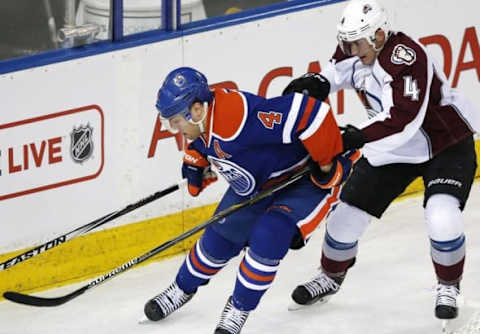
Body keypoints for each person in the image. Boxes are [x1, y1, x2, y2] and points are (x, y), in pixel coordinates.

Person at [283, 0, 479, 323]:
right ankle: (331, 276)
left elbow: (404, 121)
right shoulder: (356, 48)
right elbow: (338, 72)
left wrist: (352, 138)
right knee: (343, 219)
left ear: (378, 34)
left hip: (445, 143)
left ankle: (449, 284)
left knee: (441, 216)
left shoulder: (407, 57)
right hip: (393, 149)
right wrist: (318, 82)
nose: (350, 49)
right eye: (346, 42)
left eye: (356, 42)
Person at [143, 66, 360, 333]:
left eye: (175, 121)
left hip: (303, 182)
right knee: (218, 238)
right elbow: (210, 142)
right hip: (261, 182)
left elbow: (311, 114)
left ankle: (239, 308)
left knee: (269, 236)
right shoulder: (206, 118)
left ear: (197, 110)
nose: (173, 128)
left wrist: (327, 166)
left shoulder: (238, 119)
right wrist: (198, 158)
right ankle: (181, 289)